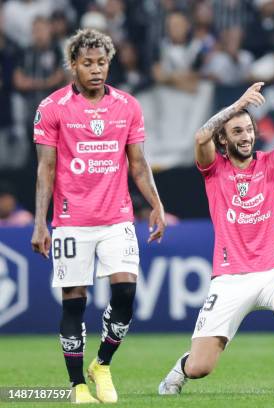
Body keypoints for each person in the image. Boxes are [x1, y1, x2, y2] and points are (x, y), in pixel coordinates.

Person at [158, 80, 274, 396]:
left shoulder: (271, 165)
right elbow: (201, 136)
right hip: (229, 279)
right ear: (224, 138)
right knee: (201, 368)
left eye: (248, 130)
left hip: (272, 271)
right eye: (237, 131)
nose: (246, 136)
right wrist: (237, 105)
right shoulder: (214, 169)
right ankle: (180, 368)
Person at [30, 28, 166, 403]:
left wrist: (156, 203)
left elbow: (138, 164)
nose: (95, 69)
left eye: (101, 62)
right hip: (71, 222)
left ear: (110, 64)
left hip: (117, 218)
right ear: (73, 65)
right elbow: (46, 169)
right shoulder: (52, 108)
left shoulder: (127, 106)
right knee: (74, 301)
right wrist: (41, 221)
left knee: (125, 293)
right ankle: (77, 386)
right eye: (87, 63)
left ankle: (102, 363)